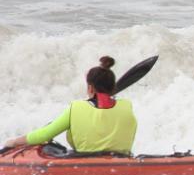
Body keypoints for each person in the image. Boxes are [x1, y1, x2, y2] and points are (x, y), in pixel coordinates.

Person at [3, 56, 137, 154]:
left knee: (47, 147)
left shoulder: (76, 108)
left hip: (86, 162)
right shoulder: (126, 106)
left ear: (90, 88)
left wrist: (14, 142)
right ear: (113, 87)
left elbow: (43, 136)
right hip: (121, 160)